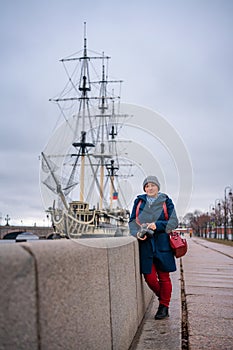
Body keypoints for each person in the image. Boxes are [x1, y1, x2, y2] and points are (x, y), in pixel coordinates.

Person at [129, 175, 179, 320]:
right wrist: (136, 234)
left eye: (152, 185)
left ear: (158, 187)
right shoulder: (139, 201)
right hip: (145, 244)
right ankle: (163, 298)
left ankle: (164, 307)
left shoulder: (166, 201)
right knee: (149, 278)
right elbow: (132, 221)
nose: (149, 188)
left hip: (162, 244)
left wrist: (158, 225)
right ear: (144, 188)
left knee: (164, 278)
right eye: (147, 186)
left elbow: (174, 222)